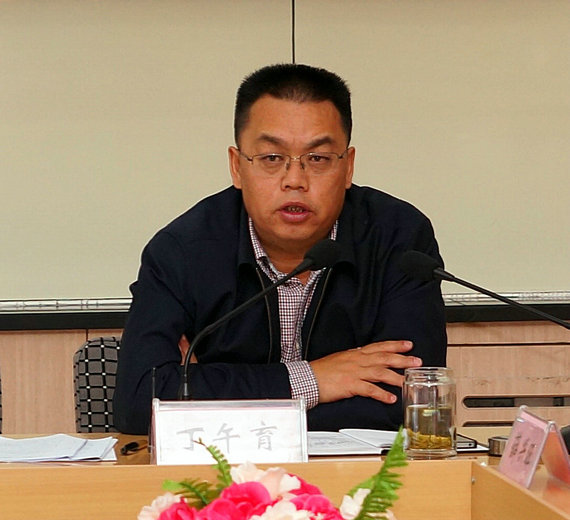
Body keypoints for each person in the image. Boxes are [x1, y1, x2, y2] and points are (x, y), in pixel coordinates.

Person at [113, 63, 447, 435]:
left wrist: (209, 393)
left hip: (365, 468)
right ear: (237, 166)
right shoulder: (182, 250)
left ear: (348, 166)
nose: (295, 180)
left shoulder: (398, 238)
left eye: (318, 159)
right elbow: (139, 402)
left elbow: (413, 399)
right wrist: (312, 380)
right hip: (223, 468)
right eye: (272, 158)